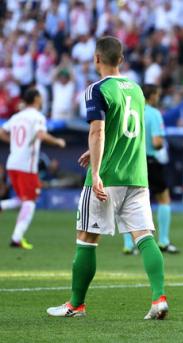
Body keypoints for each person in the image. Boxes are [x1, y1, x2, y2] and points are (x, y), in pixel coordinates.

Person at [47, 36, 167, 320]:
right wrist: (95, 152)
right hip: (137, 175)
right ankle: (158, 298)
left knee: (87, 238)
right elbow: (126, 132)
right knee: (144, 236)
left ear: (96, 59)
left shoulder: (96, 89)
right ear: (121, 60)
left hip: (107, 176)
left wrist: (97, 170)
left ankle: (76, 305)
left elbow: (98, 131)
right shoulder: (137, 90)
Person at [0, 88, 66, 249]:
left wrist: (14, 144)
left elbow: (1, 131)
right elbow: (41, 135)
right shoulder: (37, 117)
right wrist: (58, 141)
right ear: (36, 99)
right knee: (29, 201)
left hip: (12, 163)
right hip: (26, 166)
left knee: (23, 199)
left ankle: (2, 206)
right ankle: (16, 238)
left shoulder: (16, 117)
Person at [123, 84, 179, 255]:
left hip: (130, 161)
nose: (158, 98)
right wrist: (162, 143)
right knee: (163, 198)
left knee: (128, 202)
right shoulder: (154, 114)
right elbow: (156, 142)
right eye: (157, 94)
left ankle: (128, 245)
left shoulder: (130, 111)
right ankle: (163, 241)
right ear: (152, 96)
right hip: (149, 161)